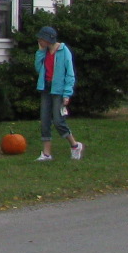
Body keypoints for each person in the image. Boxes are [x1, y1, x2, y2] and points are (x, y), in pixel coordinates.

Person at [34, 24, 84, 161]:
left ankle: (75, 145)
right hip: (46, 88)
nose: (39, 41)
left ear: (48, 39)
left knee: (58, 120)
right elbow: (39, 69)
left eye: (41, 39)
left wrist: (67, 93)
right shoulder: (43, 52)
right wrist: (39, 52)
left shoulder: (63, 51)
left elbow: (70, 74)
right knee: (44, 121)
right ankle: (46, 153)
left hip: (59, 90)